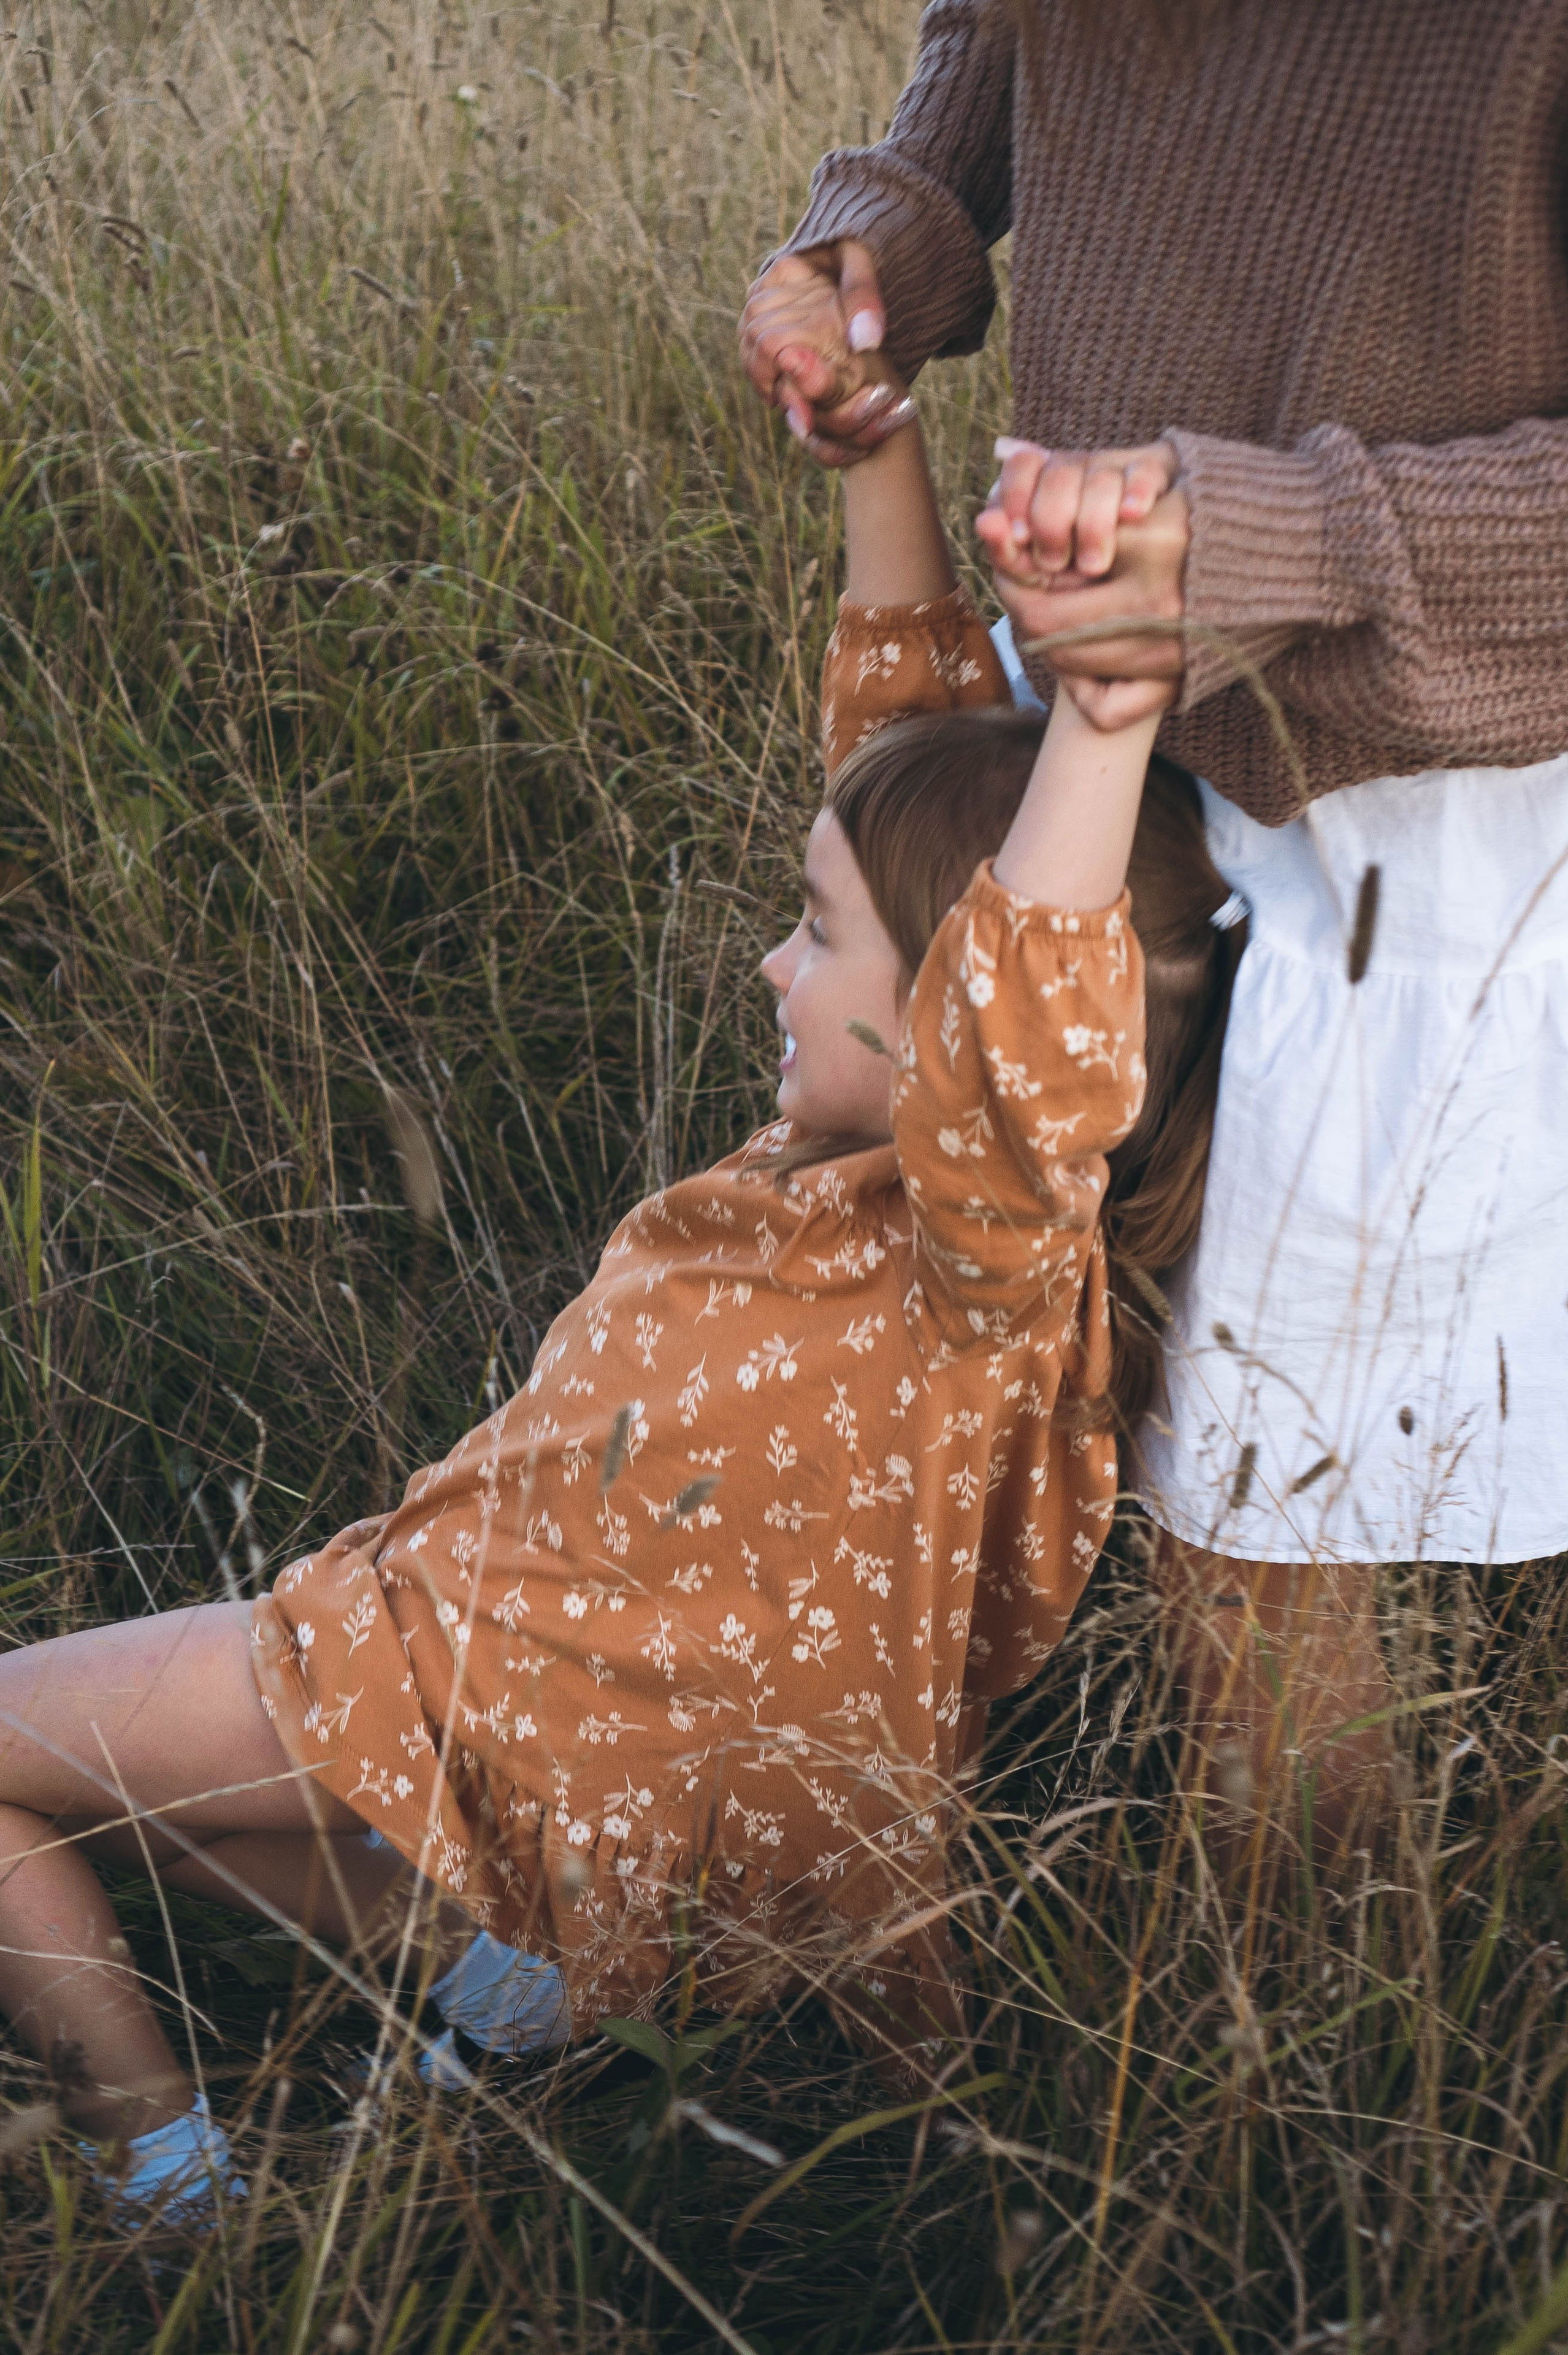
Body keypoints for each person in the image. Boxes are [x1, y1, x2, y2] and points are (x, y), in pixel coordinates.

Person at [0, 374, 1248, 2218]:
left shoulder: (979, 1249)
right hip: (553, 1762)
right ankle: (510, 1984)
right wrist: (878, 448)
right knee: (144, 1810)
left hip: (476, 1690)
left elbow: (1020, 998)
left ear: (955, 1024)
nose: (773, 961)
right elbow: (909, 770)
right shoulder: (882, 1187)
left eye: (816, 935)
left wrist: (1110, 712)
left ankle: (171, 2186)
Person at [739, 0, 1568, 1833]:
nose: (763, 968)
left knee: (1259, 1513)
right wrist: (887, 244)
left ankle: (1325, 1983)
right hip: (1099, 714)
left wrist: (1284, 540)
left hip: (1423, 798)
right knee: (1119, 1379)